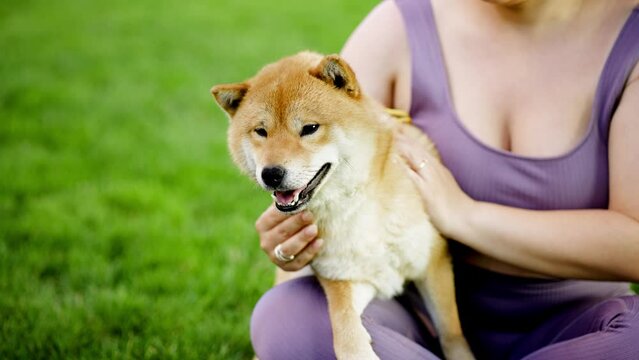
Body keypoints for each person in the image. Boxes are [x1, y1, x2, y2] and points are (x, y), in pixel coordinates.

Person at [250, 0, 639, 358]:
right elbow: (322, 166)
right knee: (289, 317)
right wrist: (294, 250)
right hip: (415, 325)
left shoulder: (630, 35)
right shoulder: (401, 24)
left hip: (583, 328)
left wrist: (466, 216)